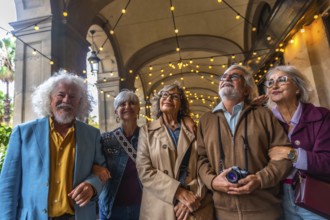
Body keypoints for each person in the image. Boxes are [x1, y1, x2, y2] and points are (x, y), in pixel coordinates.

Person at [0, 71, 109, 220]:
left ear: (80, 103)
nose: (66, 100)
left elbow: (101, 172)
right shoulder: (22, 133)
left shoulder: (92, 135)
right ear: (49, 99)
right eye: (60, 94)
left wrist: (92, 186)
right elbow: (8, 187)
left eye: (72, 97)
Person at [197, 64, 292, 220]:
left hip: (265, 212)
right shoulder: (206, 120)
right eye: (224, 77)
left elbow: (284, 155)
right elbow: (200, 158)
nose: (226, 78)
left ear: (247, 89)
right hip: (222, 213)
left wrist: (260, 179)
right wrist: (212, 181)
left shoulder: (264, 114)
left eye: (234, 76)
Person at [136, 82, 214, 220]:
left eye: (174, 96)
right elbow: (144, 170)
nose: (168, 98)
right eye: (164, 95)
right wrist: (178, 192)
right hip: (159, 208)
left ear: (181, 104)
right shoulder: (146, 131)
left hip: (193, 207)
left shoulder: (194, 129)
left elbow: (205, 164)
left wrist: (192, 196)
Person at [264, 65, 330, 220]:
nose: (274, 86)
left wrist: (291, 154)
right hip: (277, 197)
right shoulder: (264, 120)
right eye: (270, 82)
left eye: (282, 80)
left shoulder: (321, 116)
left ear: (298, 88)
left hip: (314, 193)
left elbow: (328, 162)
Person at [95, 90, 142, 220]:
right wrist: (95, 168)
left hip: (143, 205)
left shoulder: (149, 136)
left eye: (132, 103)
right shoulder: (105, 139)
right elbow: (92, 163)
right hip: (112, 206)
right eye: (122, 104)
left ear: (138, 109)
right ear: (116, 111)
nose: (127, 106)